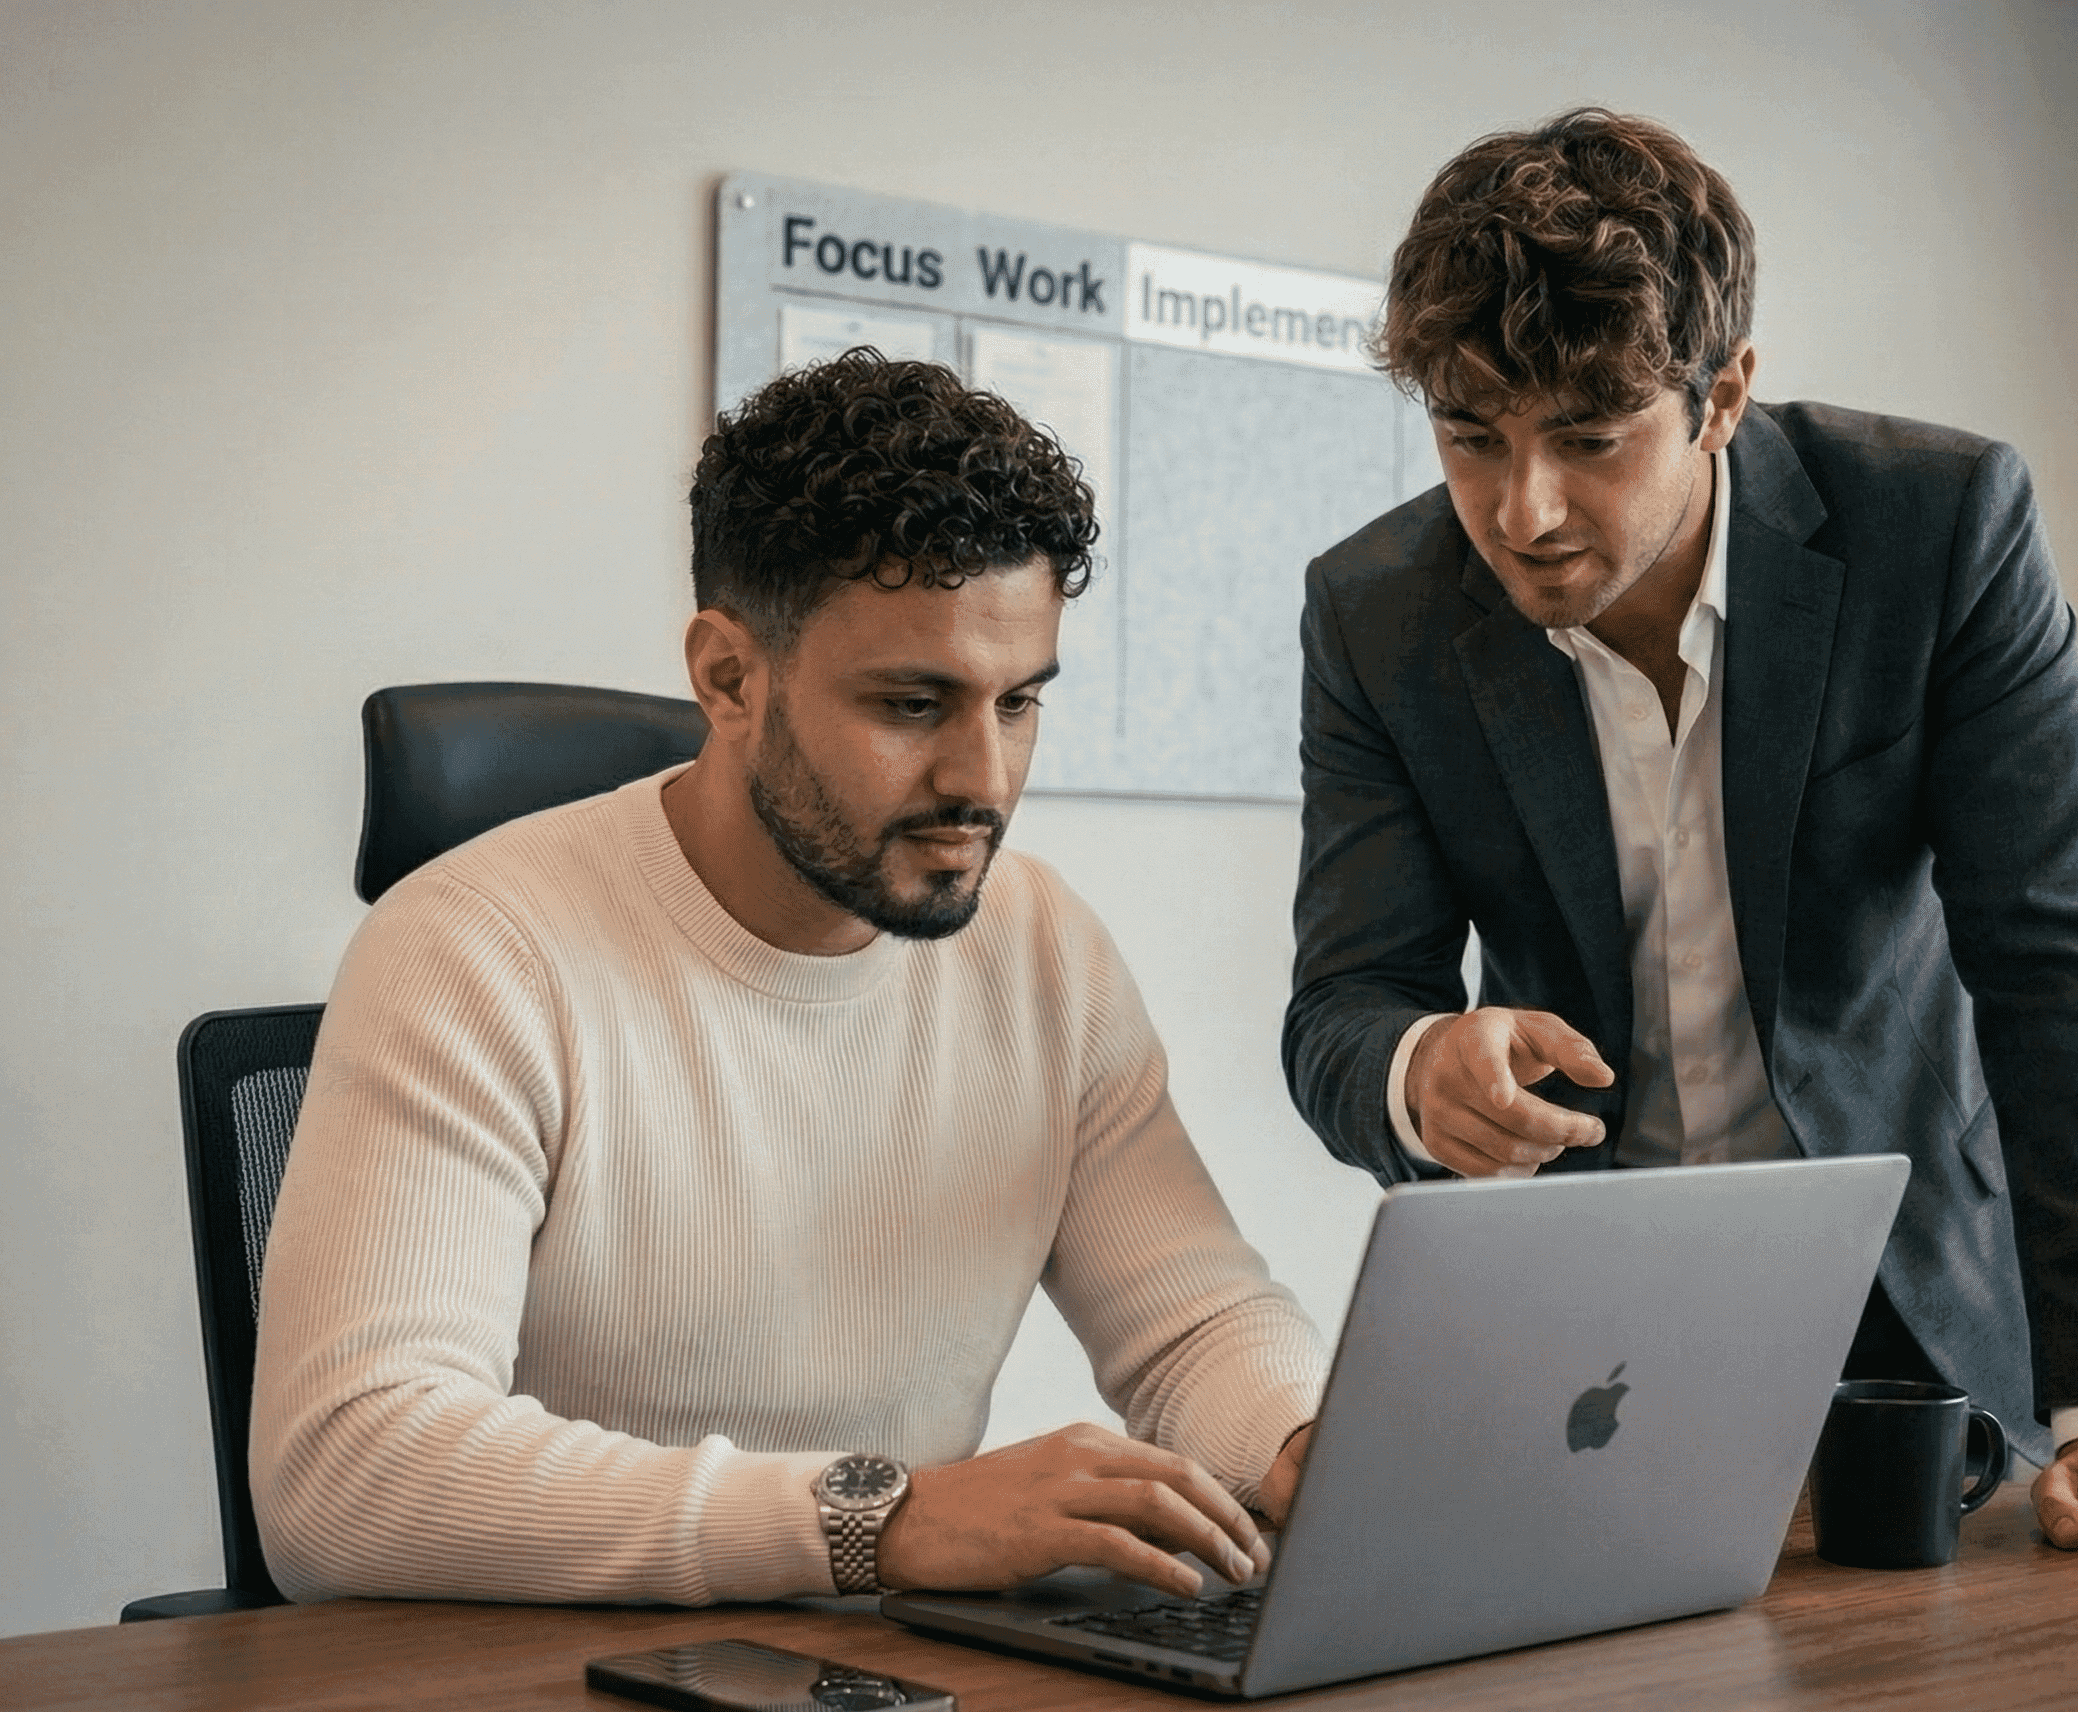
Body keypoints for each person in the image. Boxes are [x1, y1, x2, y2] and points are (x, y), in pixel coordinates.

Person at [1282, 108, 2078, 1571]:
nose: (1521, 509)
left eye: (1589, 439)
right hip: (1580, 1363)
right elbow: (1342, 1006)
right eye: (1471, 437)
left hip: (1925, 1341)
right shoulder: (1376, 614)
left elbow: (2060, 964)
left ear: (1724, 397)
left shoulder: (1941, 527)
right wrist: (1415, 1072)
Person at [252, 349, 1324, 1606]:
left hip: (887, 1692)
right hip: (543, 1698)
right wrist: (881, 1519)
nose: (983, 779)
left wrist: (1308, 1446)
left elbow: (1194, 1325)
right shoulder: (476, 950)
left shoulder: (1043, 950)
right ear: (728, 677)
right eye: (915, 702)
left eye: (1020, 701)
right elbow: (350, 1469)